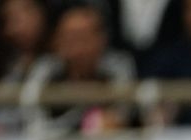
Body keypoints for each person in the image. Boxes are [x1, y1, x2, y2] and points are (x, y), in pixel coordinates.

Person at [22, 2, 137, 133]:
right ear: (57, 40)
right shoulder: (46, 69)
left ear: (102, 39)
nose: (77, 48)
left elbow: (122, 114)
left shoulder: (117, 66)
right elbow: (31, 116)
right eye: (69, 38)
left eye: (83, 38)